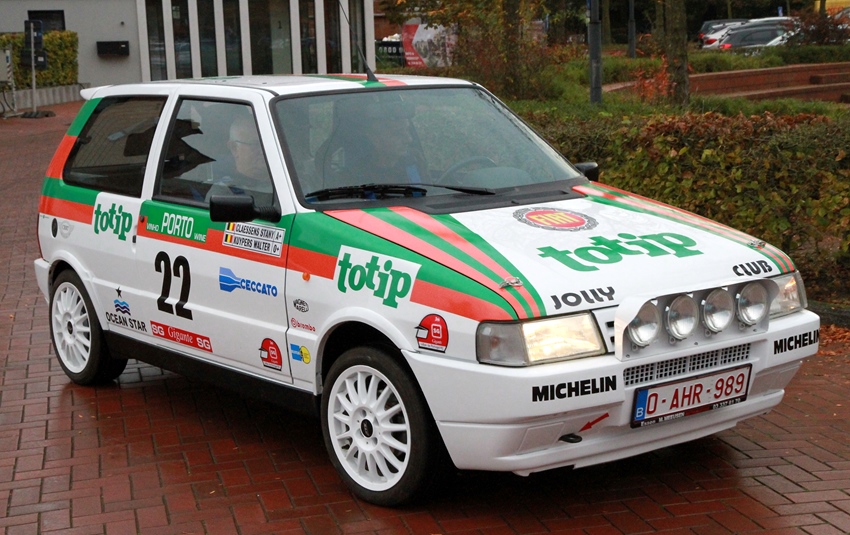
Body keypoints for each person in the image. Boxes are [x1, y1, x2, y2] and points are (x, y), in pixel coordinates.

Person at [206, 115, 275, 205]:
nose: (263, 151)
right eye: (255, 145)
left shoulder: (286, 183)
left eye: (267, 144)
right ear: (234, 148)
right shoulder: (224, 193)